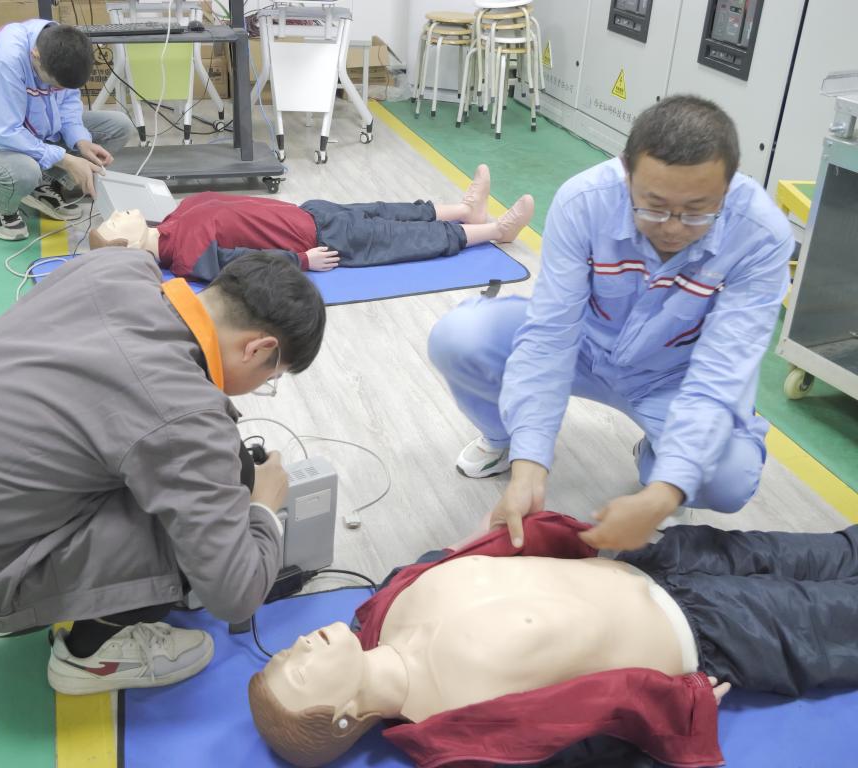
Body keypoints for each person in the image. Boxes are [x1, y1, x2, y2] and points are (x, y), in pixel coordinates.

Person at [0, 248, 326, 695]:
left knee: (188, 471)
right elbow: (235, 595)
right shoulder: (186, 414)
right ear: (258, 348)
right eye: (271, 378)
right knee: (228, 495)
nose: (263, 386)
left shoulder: (115, 267)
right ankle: (90, 653)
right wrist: (262, 508)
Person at [428, 95, 793, 552]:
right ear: (626, 173)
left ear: (729, 185)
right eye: (653, 206)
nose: (673, 228)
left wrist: (665, 491)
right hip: (584, 347)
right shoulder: (585, 201)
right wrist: (530, 463)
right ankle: (504, 437)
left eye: (698, 211)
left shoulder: (761, 235)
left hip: (672, 377)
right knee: (459, 337)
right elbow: (549, 337)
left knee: (730, 479)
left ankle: (658, 456)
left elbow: (723, 371)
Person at [248, 511, 858, 767]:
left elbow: (486, 550)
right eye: (298, 671)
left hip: (661, 559)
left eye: (285, 652)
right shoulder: (460, 736)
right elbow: (583, 745)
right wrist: (678, 710)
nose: (299, 645)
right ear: (344, 717)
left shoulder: (387, 601)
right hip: (713, 631)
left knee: (837, 550)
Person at [87, 165, 535, 282]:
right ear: (129, 248)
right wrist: (301, 261)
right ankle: (497, 231)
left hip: (310, 212)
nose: (118, 214)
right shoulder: (186, 257)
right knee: (399, 236)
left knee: (386, 208)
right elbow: (246, 265)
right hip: (319, 238)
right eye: (114, 225)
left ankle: (466, 209)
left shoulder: (172, 220)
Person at [0, 19, 137, 241]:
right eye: (55, 86)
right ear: (35, 55)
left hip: (37, 133)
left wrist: (81, 141)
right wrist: (66, 159)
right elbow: (5, 132)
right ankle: (2, 204)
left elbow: (68, 106)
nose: (58, 90)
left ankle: (41, 184)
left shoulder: (64, 46)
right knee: (24, 171)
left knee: (119, 126)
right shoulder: (6, 60)